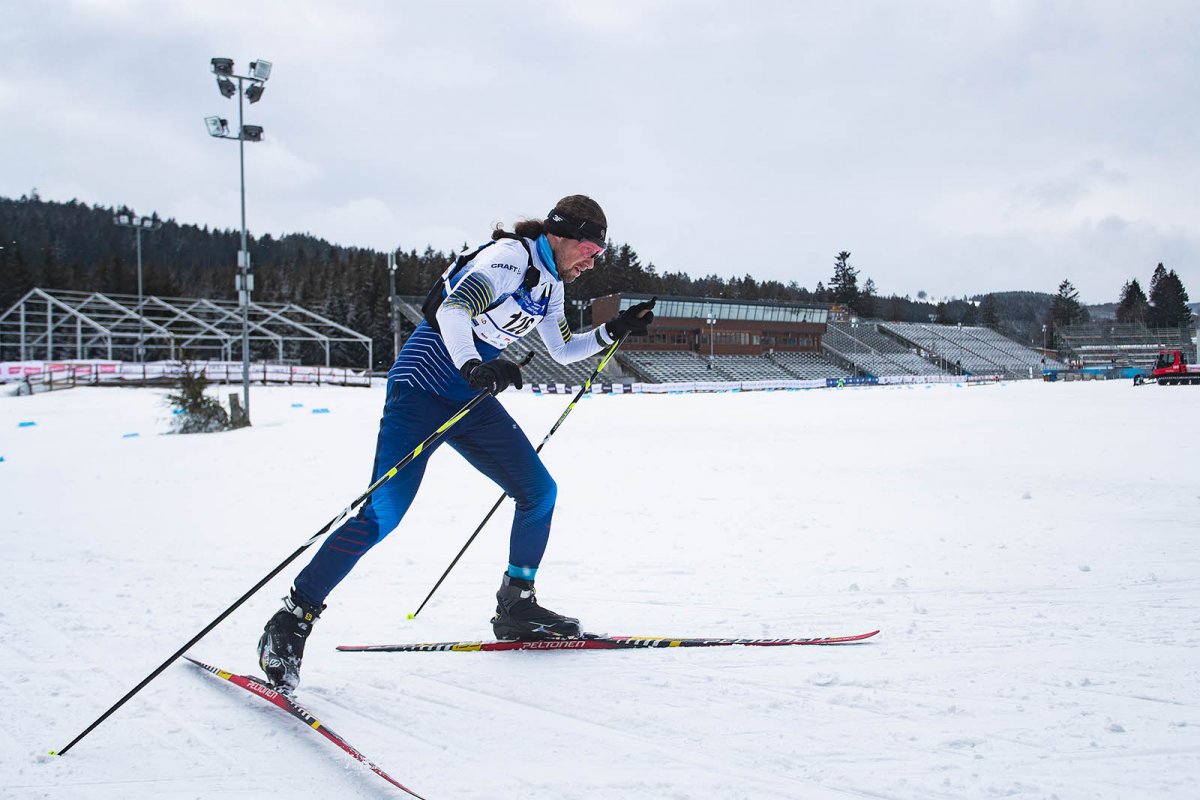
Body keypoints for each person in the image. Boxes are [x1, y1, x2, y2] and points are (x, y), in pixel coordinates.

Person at [258, 195, 656, 690]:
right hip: (422, 388)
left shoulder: (550, 284)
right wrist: (473, 365)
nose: (594, 260)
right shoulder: (509, 259)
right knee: (382, 515)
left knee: (538, 492)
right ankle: (292, 618)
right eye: (592, 248)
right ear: (563, 234)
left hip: (469, 397)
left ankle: (517, 606)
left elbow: (561, 347)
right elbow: (453, 309)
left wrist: (614, 329)